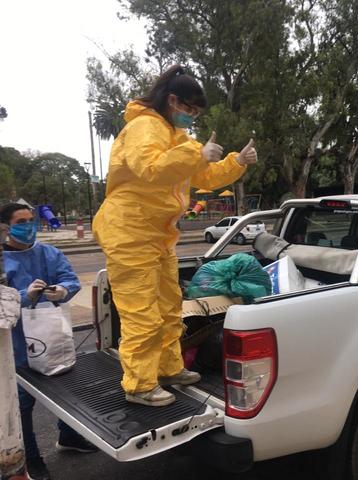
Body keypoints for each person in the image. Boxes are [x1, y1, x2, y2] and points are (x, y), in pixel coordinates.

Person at [92, 65, 256, 407]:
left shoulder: (176, 136)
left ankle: (168, 368)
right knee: (142, 314)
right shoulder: (144, 127)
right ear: (172, 101)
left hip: (158, 234)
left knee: (169, 308)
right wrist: (194, 154)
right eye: (190, 110)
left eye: (196, 113)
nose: (191, 117)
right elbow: (150, 169)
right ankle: (138, 385)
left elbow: (205, 176)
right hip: (129, 230)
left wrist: (236, 161)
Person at [1, 203, 97, 480]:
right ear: (6, 228)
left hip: (51, 336)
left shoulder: (47, 252)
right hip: (15, 344)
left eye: (32, 220)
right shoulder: (1, 261)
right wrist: (22, 296)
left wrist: (63, 290)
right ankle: (30, 458)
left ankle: (69, 437)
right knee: (21, 405)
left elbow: (69, 278)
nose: (29, 225)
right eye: (22, 221)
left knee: (64, 390)